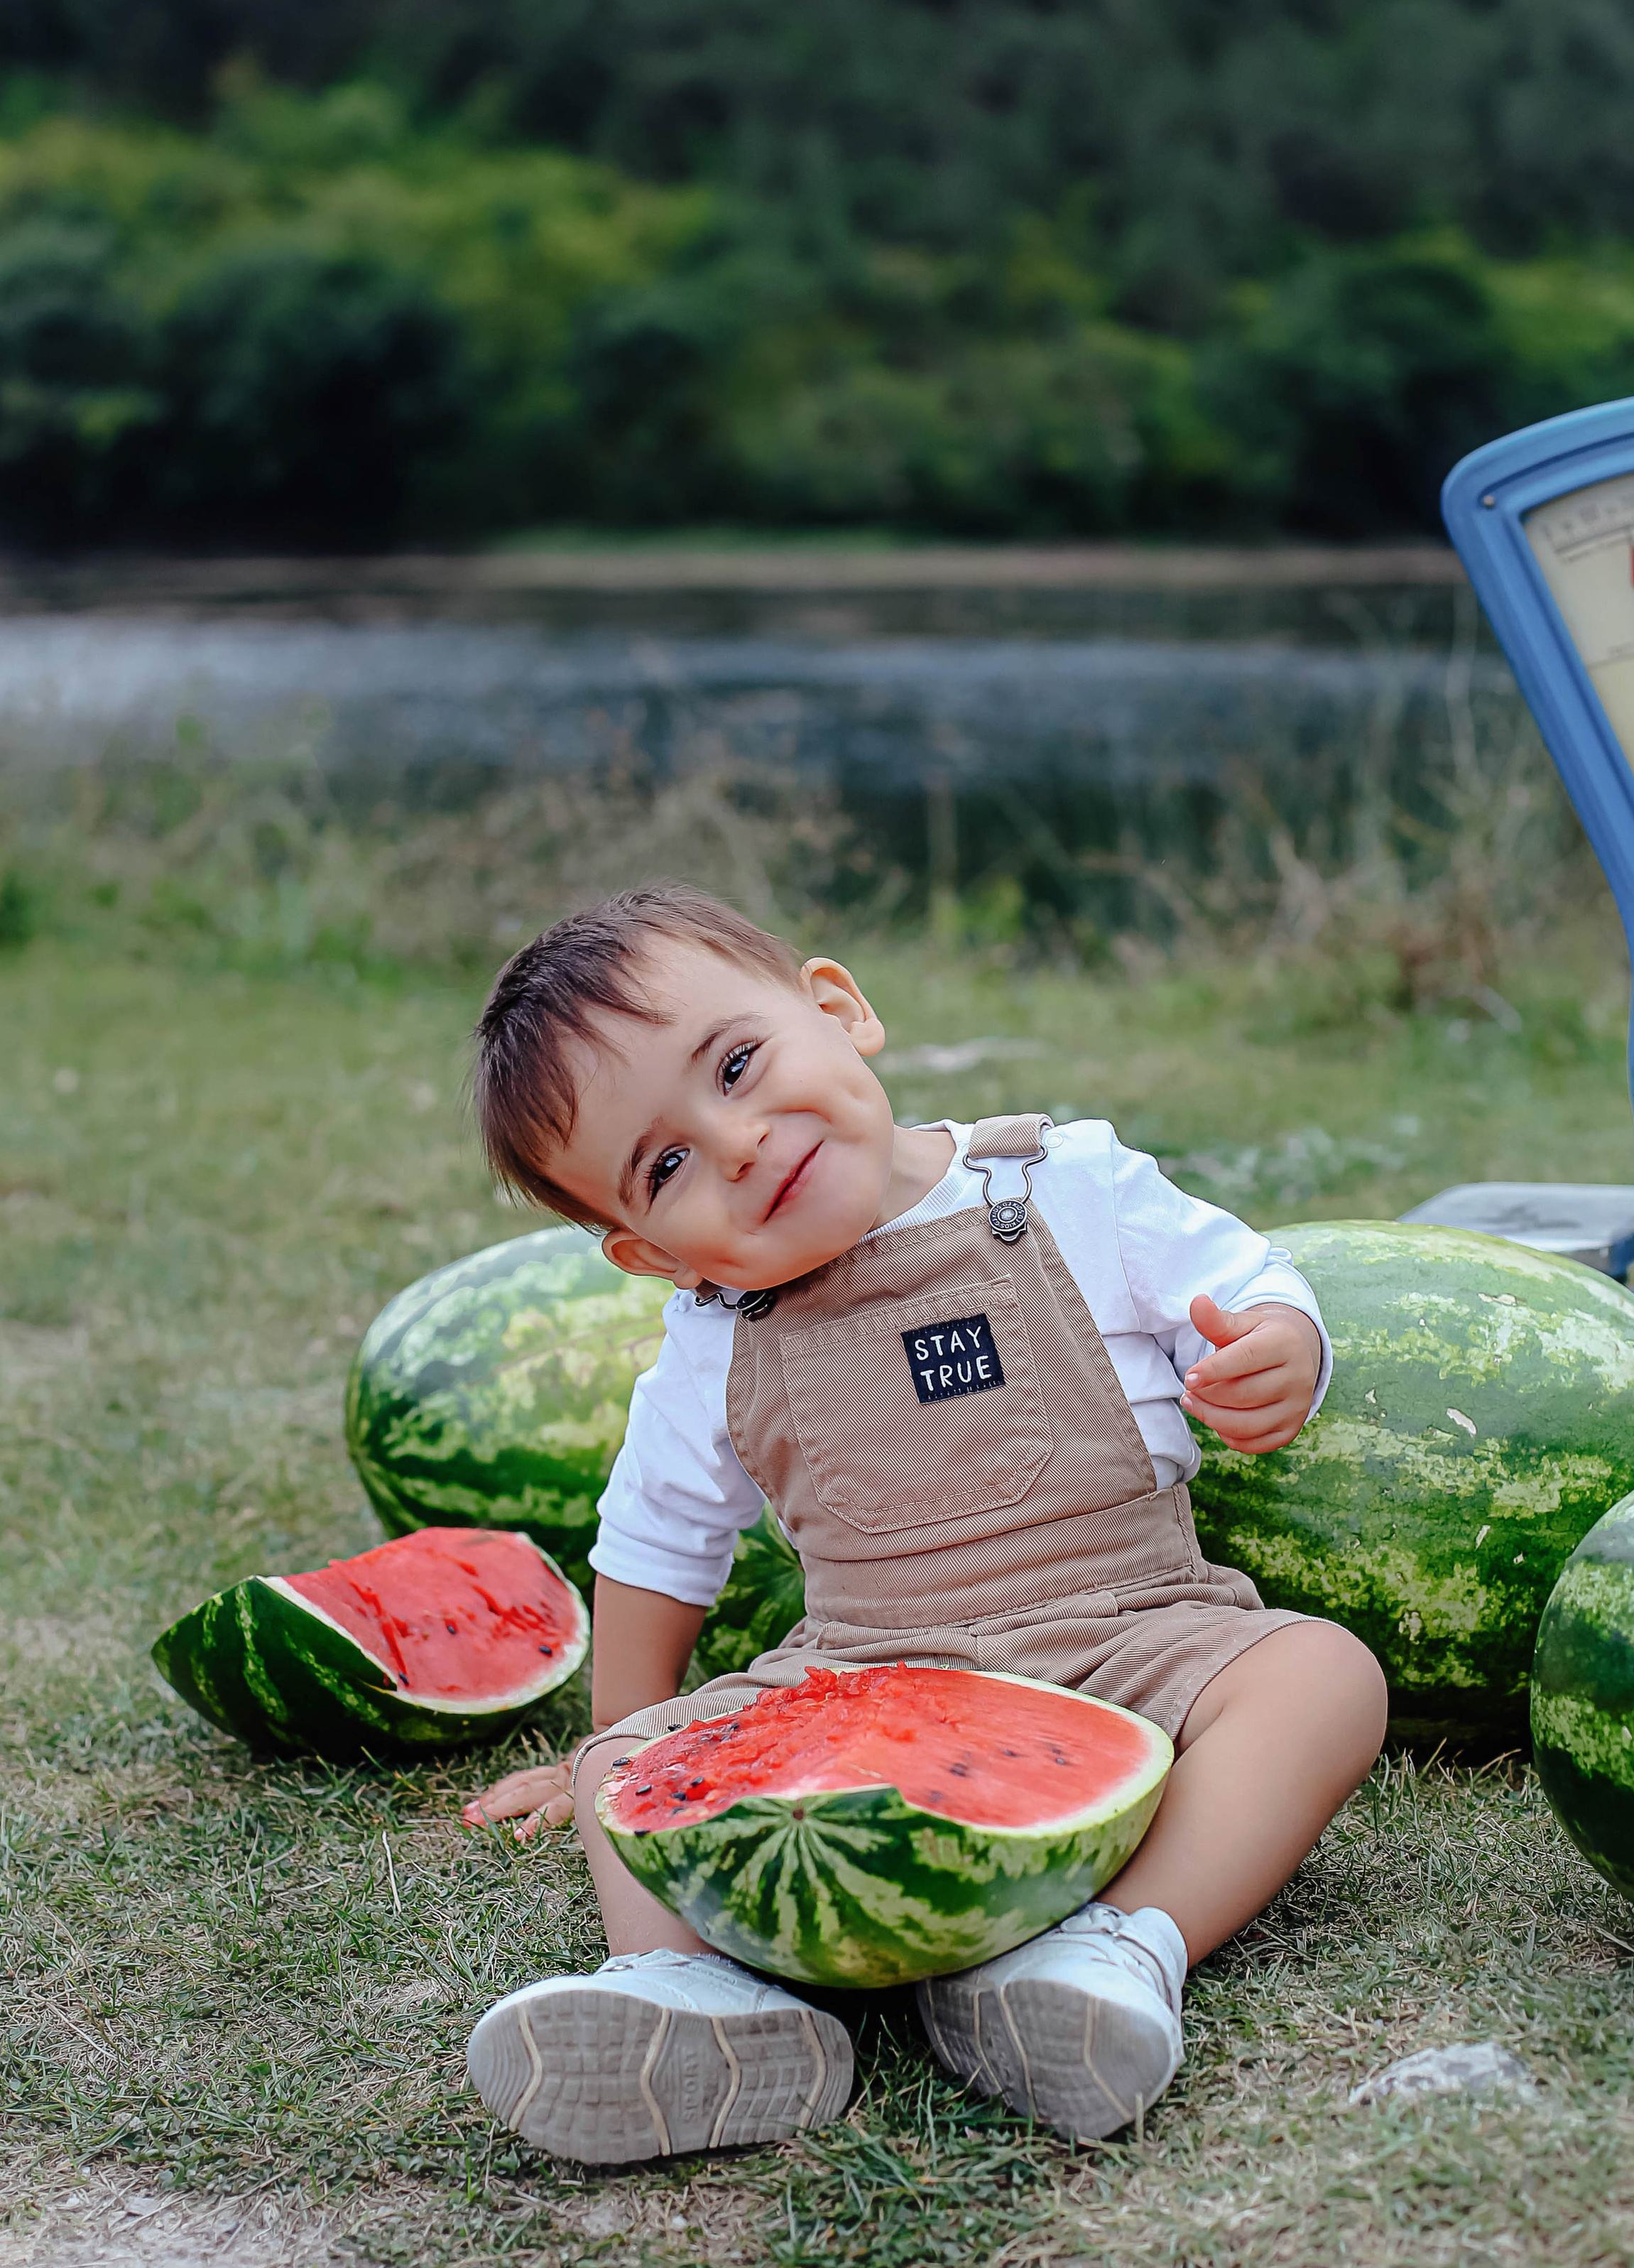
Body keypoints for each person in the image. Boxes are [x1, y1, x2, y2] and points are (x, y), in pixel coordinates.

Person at [460, 883, 1386, 2163]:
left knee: (1323, 1677)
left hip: (1133, 1633)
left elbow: (1242, 1277)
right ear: (657, 1254)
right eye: (666, 1167)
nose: (738, 1142)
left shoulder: (1065, 1181)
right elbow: (657, 1539)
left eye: (737, 1065)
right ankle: (691, 1995)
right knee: (627, 1767)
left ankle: (1122, 1948)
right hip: (853, 1679)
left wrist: (1280, 1343)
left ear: (839, 1009)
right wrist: (620, 1751)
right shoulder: (715, 1335)